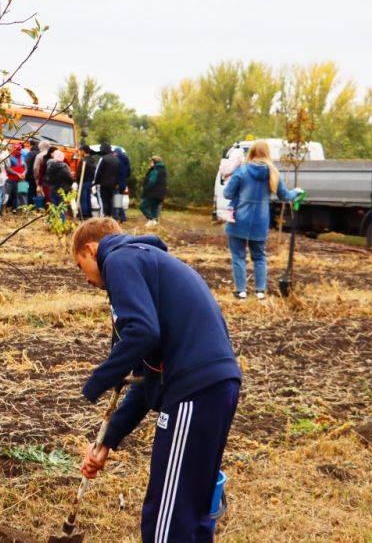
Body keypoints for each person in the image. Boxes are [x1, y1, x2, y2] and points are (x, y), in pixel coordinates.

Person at [71, 217, 242, 543]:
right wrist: (108, 441)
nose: (88, 281)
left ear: (91, 250)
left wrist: (99, 380)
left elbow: (142, 334)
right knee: (193, 509)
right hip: (216, 388)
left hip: (194, 391)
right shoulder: (148, 265)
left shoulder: (119, 258)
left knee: (167, 515)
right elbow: (147, 381)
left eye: (81, 268)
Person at [222, 141, 301, 300]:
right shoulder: (273, 173)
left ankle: (241, 291)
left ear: (251, 153)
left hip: (239, 220)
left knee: (238, 256)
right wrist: (297, 192)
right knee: (259, 257)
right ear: (267, 153)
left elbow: (227, 194)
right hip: (260, 221)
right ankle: (260, 291)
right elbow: (285, 196)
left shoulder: (242, 171)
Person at [44, 147, 74, 214]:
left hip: (52, 189)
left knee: (54, 207)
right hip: (62, 190)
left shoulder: (49, 166)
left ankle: (54, 222)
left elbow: (47, 178)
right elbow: (70, 179)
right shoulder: (64, 168)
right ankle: (62, 222)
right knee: (61, 209)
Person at [94, 142, 120, 219]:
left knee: (104, 201)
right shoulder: (116, 159)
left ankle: (106, 217)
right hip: (114, 184)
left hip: (104, 184)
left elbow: (98, 171)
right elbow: (119, 172)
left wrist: (96, 182)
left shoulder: (103, 159)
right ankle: (114, 217)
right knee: (112, 201)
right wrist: (117, 182)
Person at [140, 156, 168, 226]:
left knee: (142, 206)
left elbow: (152, 181)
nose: (150, 163)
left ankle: (151, 219)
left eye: (151, 162)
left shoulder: (155, 170)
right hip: (161, 193)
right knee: (154, 208)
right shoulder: (163, 170)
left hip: (153, 193)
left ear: (154, 162)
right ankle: (155, 224)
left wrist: (146, 188)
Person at [77, 145, 97, 220]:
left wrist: (77, 181)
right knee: (88, 197)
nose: (80, 152)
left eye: (80, 150)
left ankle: (84, 214)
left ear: (83, 151)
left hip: (83, 181)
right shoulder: (93, 160)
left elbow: (79, 173)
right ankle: (89, 213)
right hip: (90, 181)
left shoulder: (83, 160)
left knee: (83, 198)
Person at [5, 143, 26, 212]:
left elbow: (25, 166)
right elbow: (8, 168)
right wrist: (17, 174)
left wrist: (24, 173)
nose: (18, 151)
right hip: (10, 179)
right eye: (17, 150)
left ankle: (15, 209)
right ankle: (6, 208)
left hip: (20, 179)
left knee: (18, 194)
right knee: (8, 194)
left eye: (19, 150)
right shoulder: (10, 157)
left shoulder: (22, 156)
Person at [113, 145, 132, 223]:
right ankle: (122, 218)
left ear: (116, 153)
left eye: (114, 152)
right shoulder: (126, 161)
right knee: (118, 200)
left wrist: (117, 182)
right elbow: (129, 173)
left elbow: (116, 173)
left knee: (117, 201)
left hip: (117, 184)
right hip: (123, 183)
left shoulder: (117, 161)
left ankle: (118, 218)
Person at [24, 137, 40, 207]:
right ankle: (37, 205)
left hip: (30, 176)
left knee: (29, 191)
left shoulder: (30, 154)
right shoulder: (40, 153)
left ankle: (30, 206)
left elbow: (27, 165)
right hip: (38, 177)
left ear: (31, 145)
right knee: (36, 192)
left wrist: (26, 175)